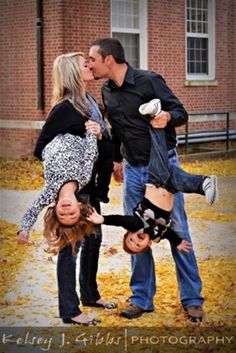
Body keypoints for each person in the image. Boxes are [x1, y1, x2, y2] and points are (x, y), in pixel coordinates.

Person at [89, 37, 206, 322]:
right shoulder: (107, 91)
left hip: (163, 167)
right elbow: (117, 130)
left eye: (92, 59)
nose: (88, 64)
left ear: (109, 59)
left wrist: (167, 116)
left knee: (178, 230)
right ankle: (141, 298)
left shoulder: (149, 81)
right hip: (132, 168)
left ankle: (192, 300)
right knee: (136, 232)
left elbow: (181, 113)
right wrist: (117, 159)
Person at [18, 52, 116, 326]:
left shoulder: (90, 103)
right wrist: (67, 151)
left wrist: (97, 136)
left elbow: (100, 140)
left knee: (94, 241)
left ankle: (90, 295)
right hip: (74, 186)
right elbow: (40, 148)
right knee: (70, 248)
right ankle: (70, 310)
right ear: (72, 72)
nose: (89, 65)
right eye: (83, 64)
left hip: (90, 183)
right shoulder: (64, 108)